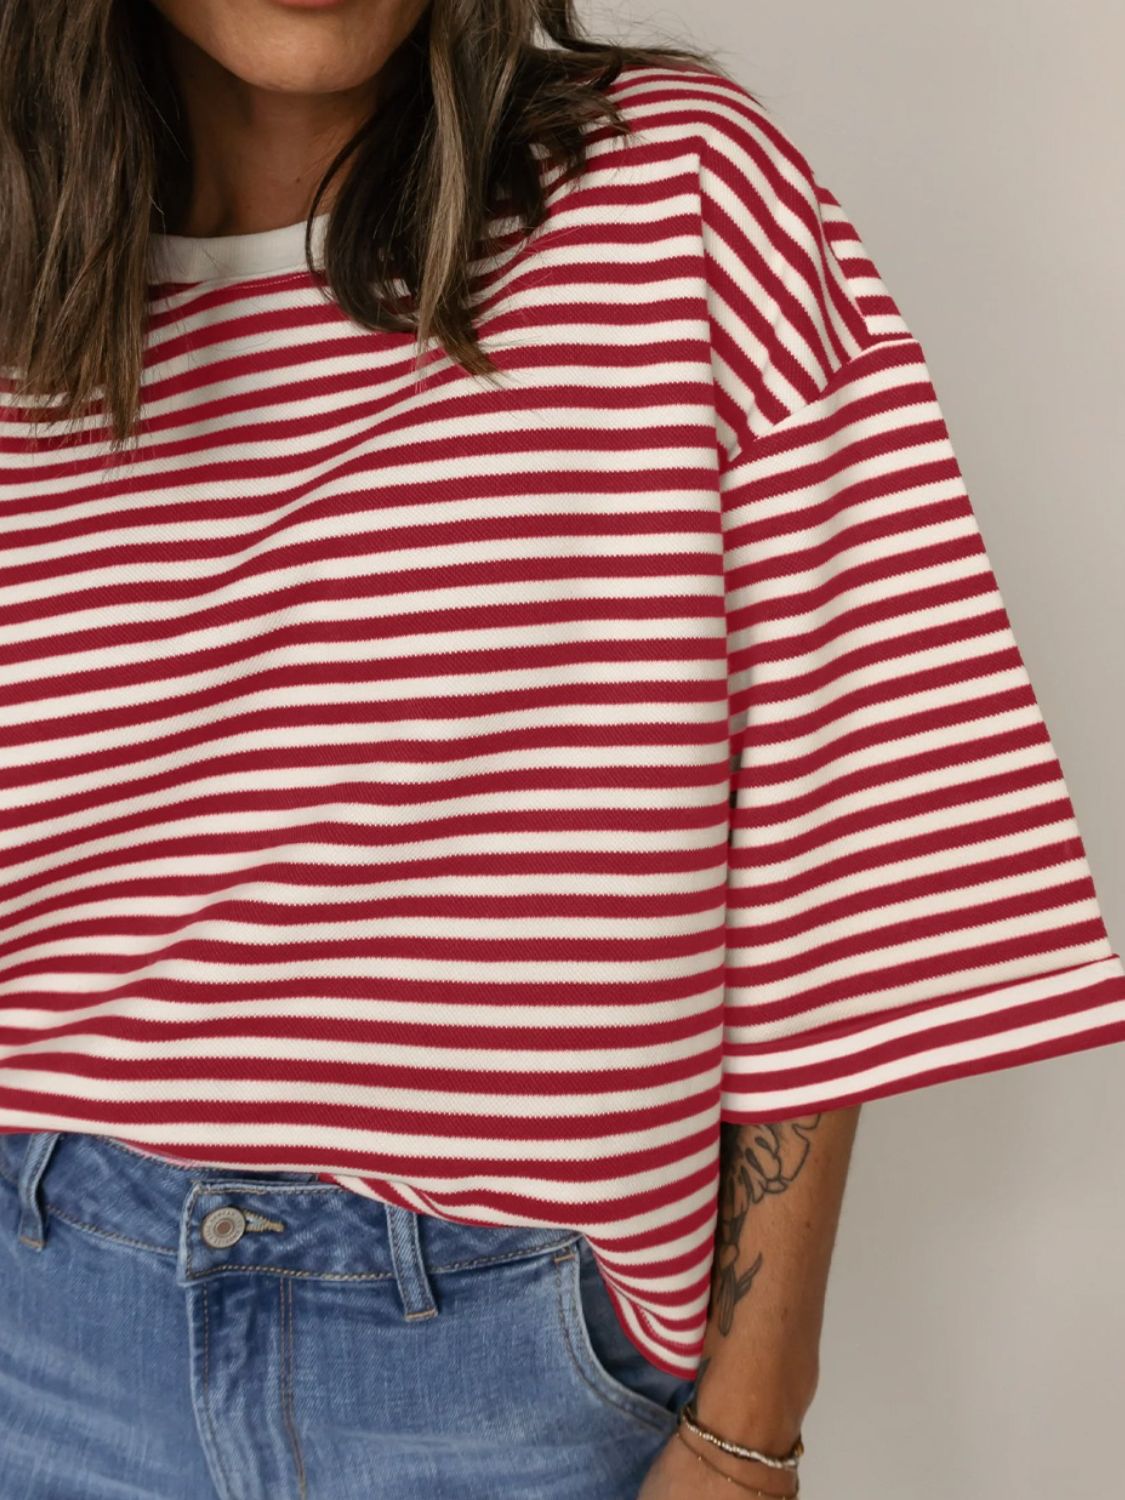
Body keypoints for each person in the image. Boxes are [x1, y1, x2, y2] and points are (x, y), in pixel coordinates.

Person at [0, 3, 1121, 1497]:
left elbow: (842, 837)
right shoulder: (21, 264)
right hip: (36, 1316)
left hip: (509, 1364)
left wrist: (747, 1432)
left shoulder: (678, 195)